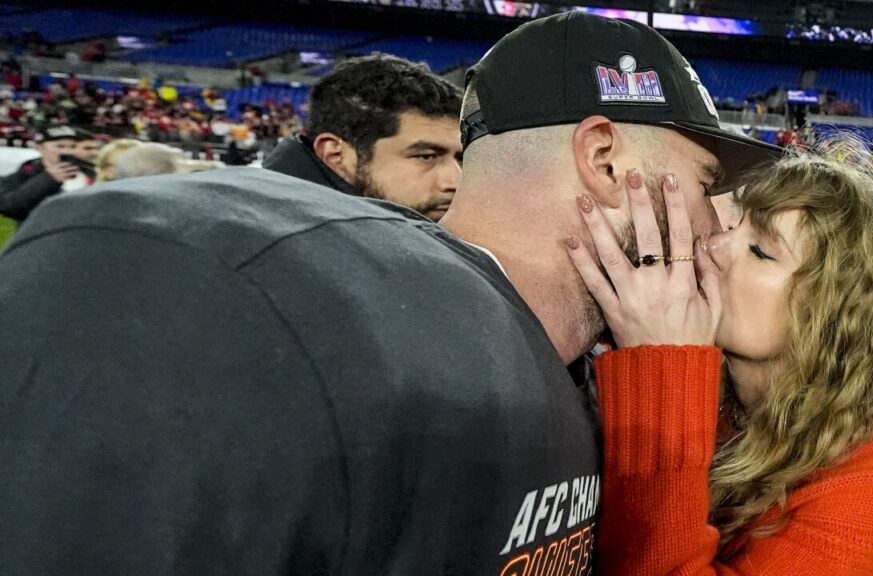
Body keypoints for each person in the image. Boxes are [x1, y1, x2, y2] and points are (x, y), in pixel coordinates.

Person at [0, 13, 779, 575]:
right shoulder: (254, 283)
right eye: (708, 182)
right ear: (605, 159)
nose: (716, 220)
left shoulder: (572, 358)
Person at [566, 138, 873, 574]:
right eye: (734, 228)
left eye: (760, 251)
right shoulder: (718, 403)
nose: (713, 247)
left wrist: (661, 365)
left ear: (837, 314)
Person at [263, 53, 464, 222]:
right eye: (426, 156)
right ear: (335, 156)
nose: (455, 182)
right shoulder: (268, 246)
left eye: (460, 158)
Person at [0, 125, 79, 221]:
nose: (68, 151)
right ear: (40, 147)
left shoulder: (87, 170)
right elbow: (9, 207)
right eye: (60, 146)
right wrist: (48, 179)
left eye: (73, 146)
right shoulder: (26, 171)